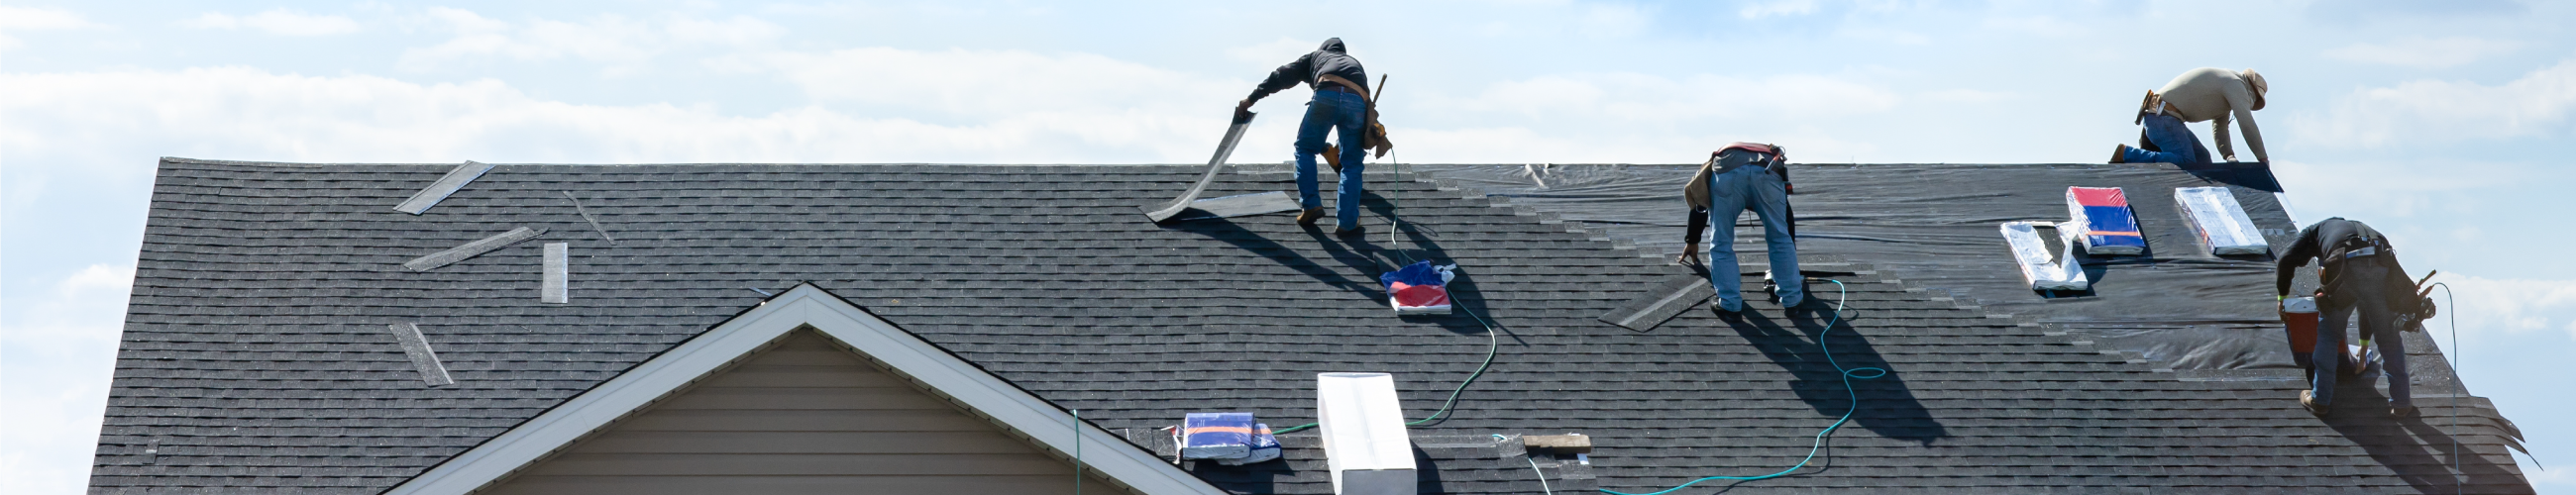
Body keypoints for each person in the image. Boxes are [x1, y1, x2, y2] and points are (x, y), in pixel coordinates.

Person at [2276, 218, 2431, 418]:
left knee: (2330, 333)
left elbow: (2286, 258)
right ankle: (2401, 403)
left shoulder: (2313, 233)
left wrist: (2282, 297)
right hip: (2382, 261)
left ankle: (2320, 399)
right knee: (2389, 339)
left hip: (2346, 261)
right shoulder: (2356, 230)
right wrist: (2364, 347)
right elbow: (2367, 301)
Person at [1236, 38, 1386, 236]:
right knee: (1352, 164)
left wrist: (1251, 99)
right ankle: (1347, 222)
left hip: (1326, 94)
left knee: (1305, 149)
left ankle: (1311, 206)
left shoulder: (1317, 57)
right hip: (1357, 101)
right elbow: (1353, 105)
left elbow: (1281, 76)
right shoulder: (1354, 64)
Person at [1677, 144, 1803, 312]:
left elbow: (1701, 203)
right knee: (1780, 238)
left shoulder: (1716, 163)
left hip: (1727, 173)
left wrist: (1692, 239)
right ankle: (1793, 300)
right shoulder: (1767, 163)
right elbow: (1785, 221)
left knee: (1721, 241)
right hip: (1767, 171)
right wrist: (1789, 261)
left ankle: (1729, 304)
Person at [2113, 67, 2269, 165]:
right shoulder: (2236, 84)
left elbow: (2220, 127)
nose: (2250, 104)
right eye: (2254, 99)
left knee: (2203, 161)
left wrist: (2229, 156)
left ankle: (2144, 160)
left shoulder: (2226, 84)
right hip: (2163, 118)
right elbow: (2247, 123)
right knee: (2187, 162)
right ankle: (2128, 154)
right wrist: (2263, 159)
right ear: (2251, 90)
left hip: (2162, 117)